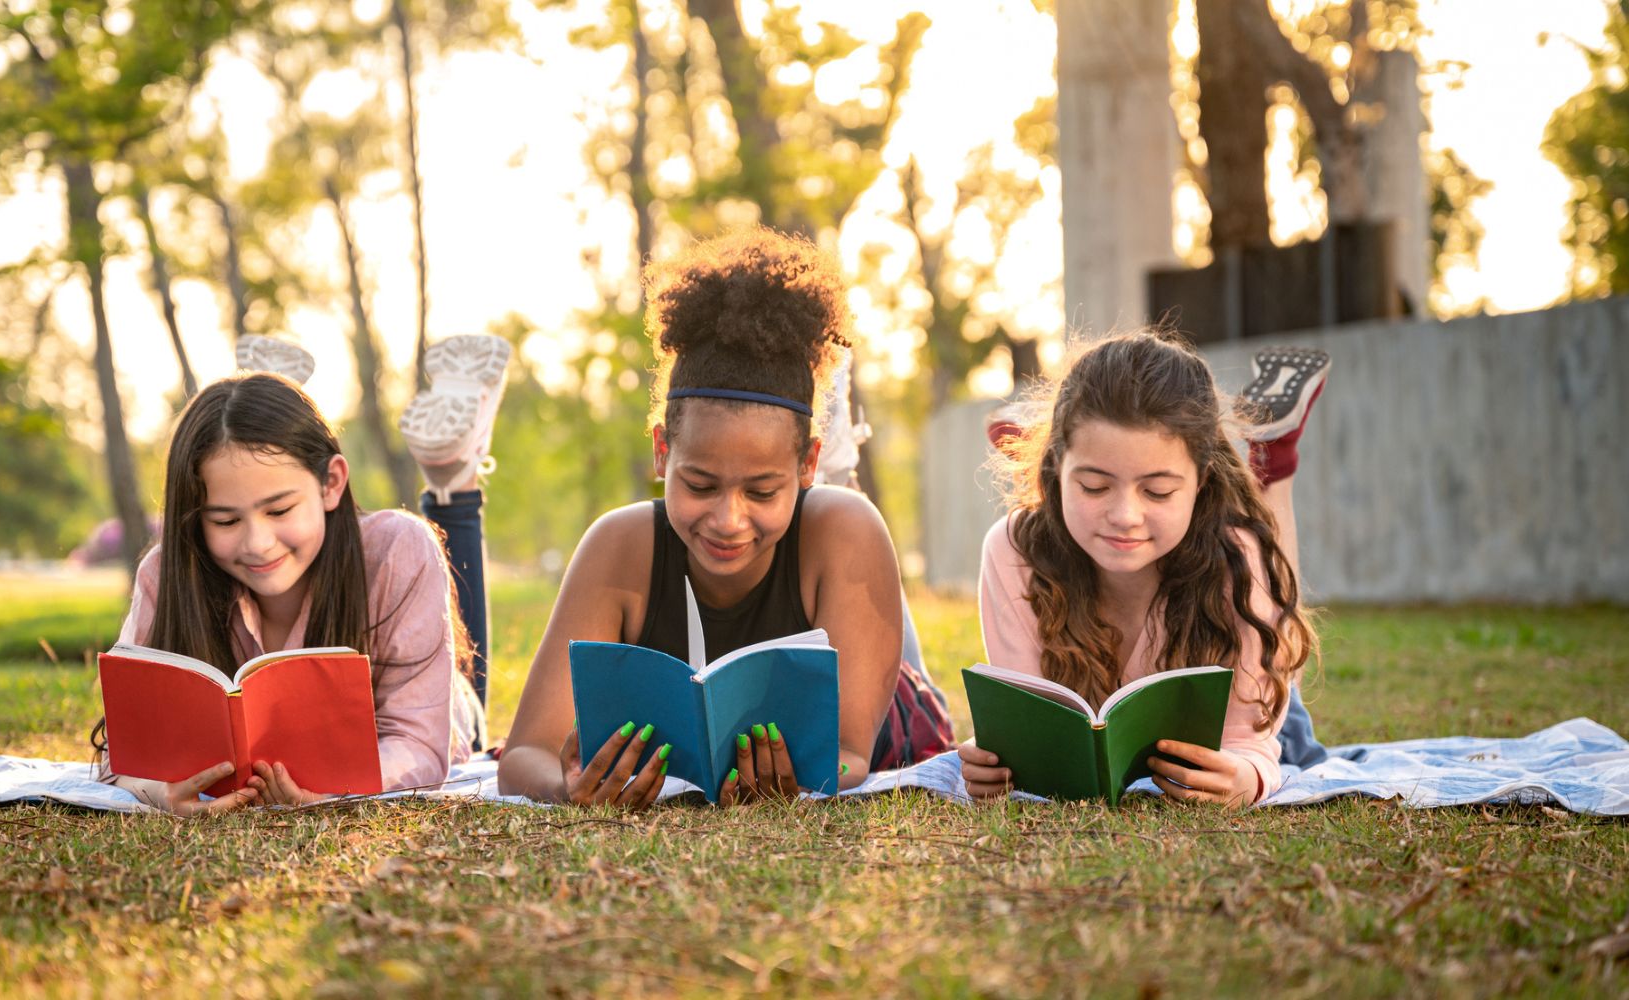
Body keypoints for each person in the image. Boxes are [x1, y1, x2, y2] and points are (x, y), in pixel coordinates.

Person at [483, 228, 952, 806]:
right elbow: (525, 754)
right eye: (700, 485)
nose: (729, 520)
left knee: (850, 510)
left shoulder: (843, 532)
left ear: (804, 464)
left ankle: (839, 458)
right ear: (662, 452)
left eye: (761, 490)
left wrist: (801, 783)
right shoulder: (619, 543)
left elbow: (852, 756)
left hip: (891, 706)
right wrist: (571, 786)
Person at [960, 332, 1326, 807]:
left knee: (1284, 684)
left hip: (1258, 715)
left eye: (1156, 492)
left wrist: (1247, 774)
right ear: (1055, 467)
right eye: (1094, 486)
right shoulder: (1014, 549)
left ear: (1201, 482)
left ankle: (1272, 457)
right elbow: (1027, 725)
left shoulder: (1237, 556)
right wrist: (995, 761)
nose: (1125, 516)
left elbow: (1251, 743)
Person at [93, 369, 481, 815]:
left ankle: (455, 477)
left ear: (331, 483)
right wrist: (160, 792)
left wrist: (334, 790)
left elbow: (418, 742)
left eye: (279, 509)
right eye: (225, 521)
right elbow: (123, 752)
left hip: (438, 698)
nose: (257, 543)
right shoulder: (164, 571)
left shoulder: (398, 548)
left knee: (466, 674)